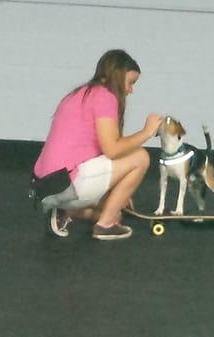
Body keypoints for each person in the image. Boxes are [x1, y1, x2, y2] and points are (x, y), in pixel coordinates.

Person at [33, 49, 162, 240]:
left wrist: (116, 195)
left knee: (116, 207)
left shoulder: (78, 94)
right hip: (67, 182)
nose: (130, 90)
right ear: (118, 76)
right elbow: (112, 150)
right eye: (131, 82)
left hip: (43, 186)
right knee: (140, 157)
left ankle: (65, 211)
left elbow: (99, 151)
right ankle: (105, 225)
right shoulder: (104, 97)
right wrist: (147, 132)